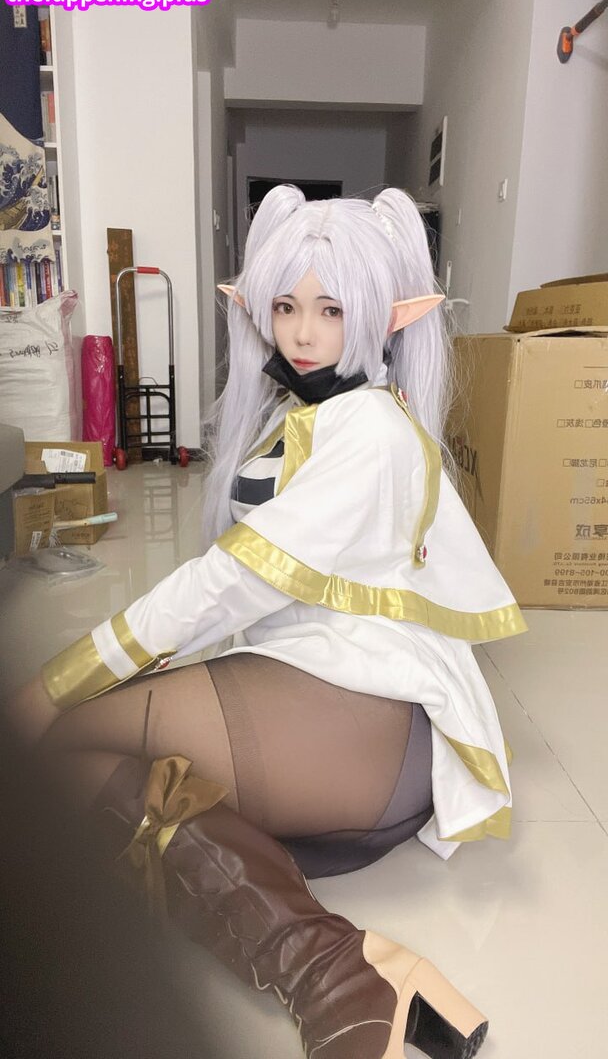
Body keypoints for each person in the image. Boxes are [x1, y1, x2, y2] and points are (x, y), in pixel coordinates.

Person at [7, 186, 526, 1059]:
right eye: (286, 306)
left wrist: (54, 682)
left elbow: (229, 582)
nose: (303, 332)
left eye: (332, 309)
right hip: (321, 714)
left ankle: (342, 979)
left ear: (384, 315)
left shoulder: (370, 429)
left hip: (369, 721)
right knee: (90, 768)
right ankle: (341, 973)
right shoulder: (309, 414)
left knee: (52, 735)